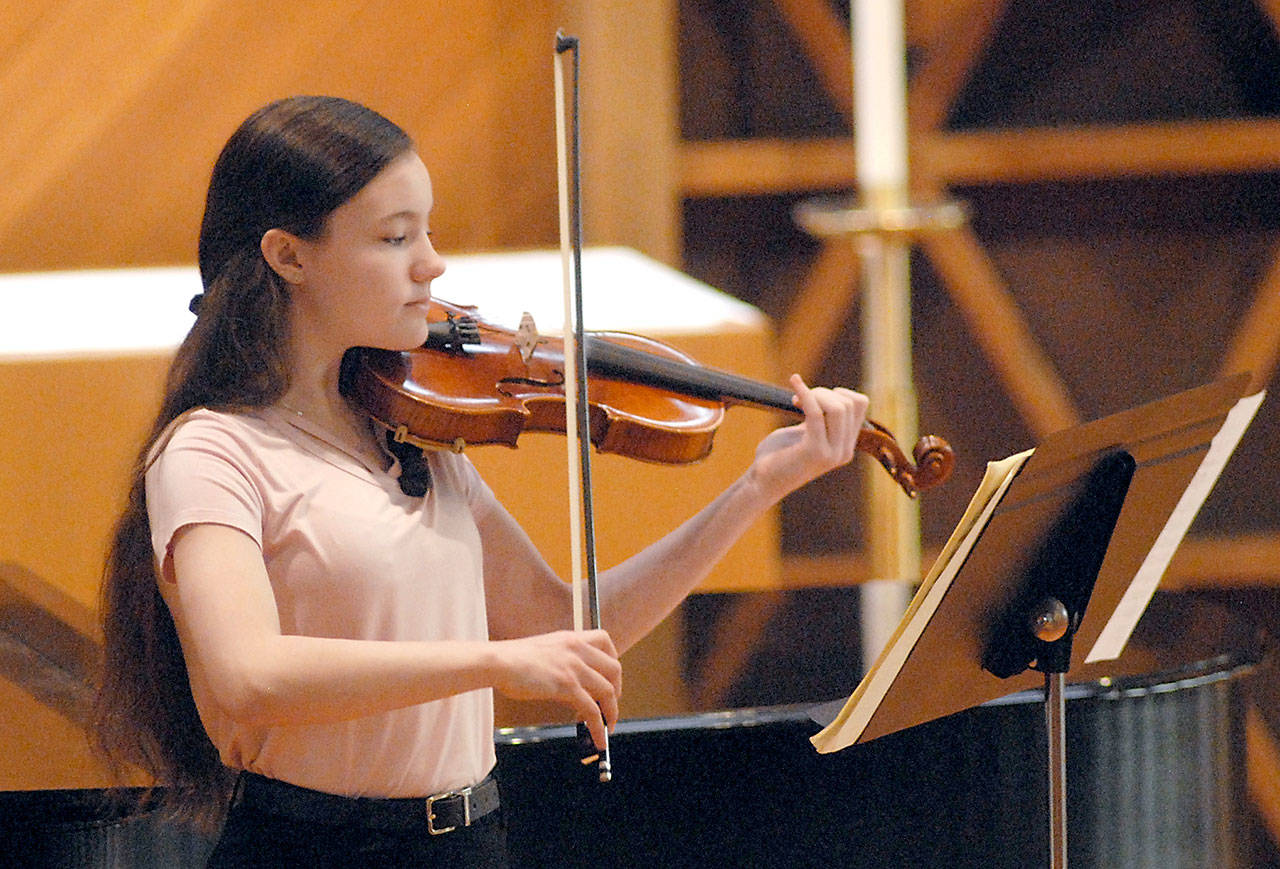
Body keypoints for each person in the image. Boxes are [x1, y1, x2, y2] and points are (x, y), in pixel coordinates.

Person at [92, 95, 869, 867]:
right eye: (396, 238)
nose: (432, 264)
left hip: (470, 841)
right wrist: (493, 662)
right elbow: (246, 676)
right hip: (316, 848)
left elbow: (565, 624)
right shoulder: (212, 452)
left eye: (426, 231)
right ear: (288, 255)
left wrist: (757, 489)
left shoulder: (415, 432)